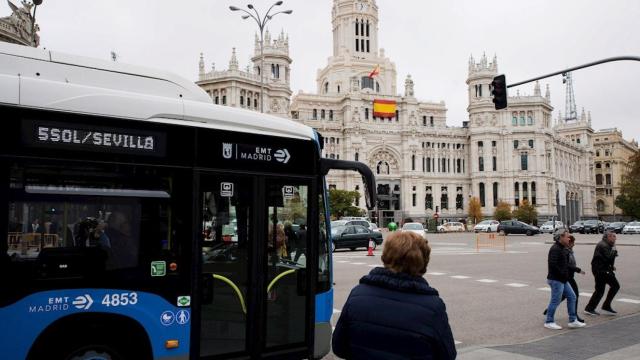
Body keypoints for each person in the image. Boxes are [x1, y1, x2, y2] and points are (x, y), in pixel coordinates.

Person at [332, 231, 456, 360]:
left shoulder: (358, 295)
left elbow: (339, 347)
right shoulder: (432, 307)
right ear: (423, 261)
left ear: (386, 256)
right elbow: (447, 355)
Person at [544, 230, 585, 330]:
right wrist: (562, 274)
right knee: (555, 300)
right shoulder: (555, 249)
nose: (569, 239)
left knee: (572, 296)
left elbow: (565, 264)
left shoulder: (563, 248)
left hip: (562, 279)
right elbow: (553, 264)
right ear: (561, 237)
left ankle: (573, 320)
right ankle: (549, 321)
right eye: (567, 237)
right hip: (556, 279)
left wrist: (575, 270)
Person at [584, 231, 620, 316]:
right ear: (608, 237)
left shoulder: (606, 244)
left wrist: (611, 266)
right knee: (614, 286)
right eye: (613, 236)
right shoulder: (603, 245)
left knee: (600, 290)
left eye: (615, 236)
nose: (615, 238)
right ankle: (599, 307)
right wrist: (614, 249)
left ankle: (591, 308)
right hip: (601, 270)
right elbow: (608, 257)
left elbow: (607, 259)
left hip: (602, 269)